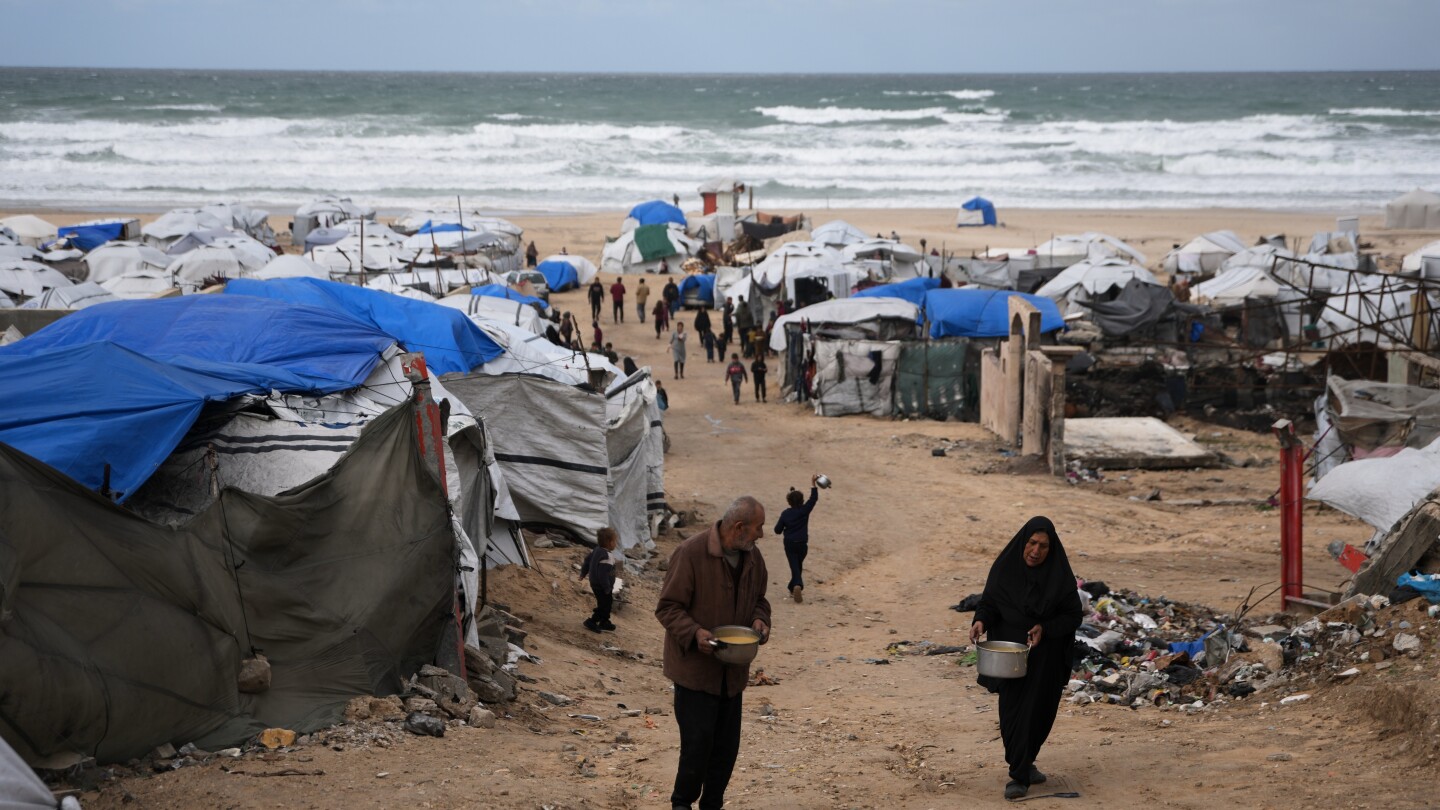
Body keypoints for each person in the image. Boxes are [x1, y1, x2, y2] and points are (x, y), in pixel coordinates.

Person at [655, 496, 771, 810]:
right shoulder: (691, 553)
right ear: (739, 527)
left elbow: (760, 599)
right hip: (695, 673)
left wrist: (760, 620)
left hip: (732, 674)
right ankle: (682, 803)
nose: (762, 534)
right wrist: (695, 633)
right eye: (758, 527)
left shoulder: (753, 557)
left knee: (725, 749)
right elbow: (667, 608)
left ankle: (712, 804)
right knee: (697, 746)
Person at [969, 517, 1082, 801]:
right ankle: (1020, 768)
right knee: (1012, 714)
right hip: (1009, 655)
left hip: (1046, 658)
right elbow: (990, 603)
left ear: (1051, 549)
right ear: (1023, 542)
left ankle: (1022, 769)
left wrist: (1045, 627)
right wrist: (980, 621)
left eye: (1043, 546)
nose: (1036, 551)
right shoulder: (1005, 569)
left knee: (1038, 713)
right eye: (1032, 543)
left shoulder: (1059, 577)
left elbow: (1072, 616)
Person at [773, 477, 820, 602]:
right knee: (797, 566)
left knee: (795, 566)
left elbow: (777, 530)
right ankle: (792, 587)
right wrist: (813, 483)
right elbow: (813, 499)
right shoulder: (804, 510)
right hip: (802, 544)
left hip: (790, 544)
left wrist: (785, 527)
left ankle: (797, 585)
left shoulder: (785, 514)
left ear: (789, 502)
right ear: (802, 501)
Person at [579, 528, 620, 632]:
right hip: (602, 586)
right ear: (610, 542)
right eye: (615, 541)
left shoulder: (597, 550)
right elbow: (603, 574)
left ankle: (604, 622)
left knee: (607, 603)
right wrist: (607, 588)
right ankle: (592, 621)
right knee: (604, 605)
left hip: (595, 584)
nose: (616, 543)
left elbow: (587, 561)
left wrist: (583, 573)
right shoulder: (607, 556)